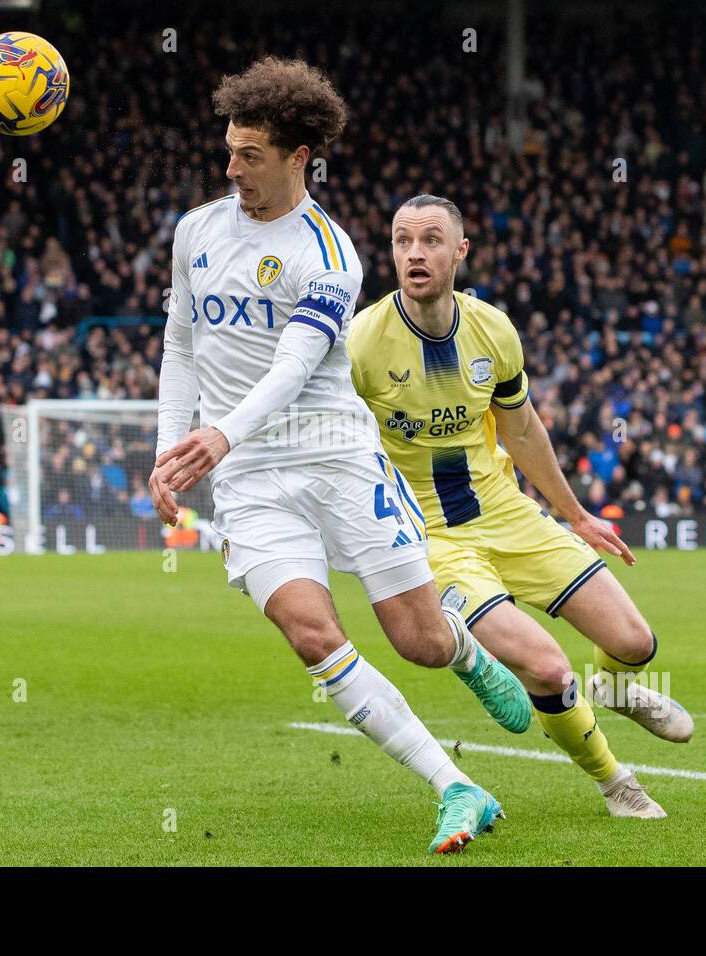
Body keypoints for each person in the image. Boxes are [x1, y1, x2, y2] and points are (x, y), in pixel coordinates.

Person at [149, 58, 529, 854]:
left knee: (418, 643)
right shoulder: (196, 231)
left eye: (248, 155)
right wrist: (170, 451)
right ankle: (456, 785)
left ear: (297, 157)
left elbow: (292, 368)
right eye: (228, 150)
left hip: (336, 458)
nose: (231, 169)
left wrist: (220, 434)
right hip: (252, 480)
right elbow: (180, 345)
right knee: (313, 635)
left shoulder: (331, 252)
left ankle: (460, 643)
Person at [347, 195, 696, 820]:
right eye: (403, 241)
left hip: (506, 513)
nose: (414, 253)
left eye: (430, 240)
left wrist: (577, 514)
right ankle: (617, 782)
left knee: (635, 640)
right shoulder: (363, 344)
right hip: (430, 538)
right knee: (546, 664)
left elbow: (524, 430)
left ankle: (614, 687)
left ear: (460, 252)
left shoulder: (493, 329)